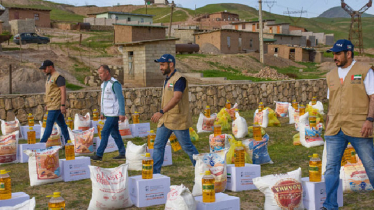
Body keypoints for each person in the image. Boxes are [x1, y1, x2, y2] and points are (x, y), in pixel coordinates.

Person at [324, 39, 374, 210]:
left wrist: (370, 120)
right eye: (334, 54)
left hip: (359, 127)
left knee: (370, 165)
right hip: (334, 129)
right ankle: (330, 205)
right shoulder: (330, 75)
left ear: (349, 53)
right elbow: (331, 103)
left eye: (338, 54)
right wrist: (327, 124)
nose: (335, 57)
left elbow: (373, 96)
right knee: (331, 168)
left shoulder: (365, 71)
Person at [151, 54, 199, 174]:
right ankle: (155, 174)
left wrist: (161, 111)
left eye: (162, 65)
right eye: (160, 65)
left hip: (177, 119)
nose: (160, 67)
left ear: (171, 64)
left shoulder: (179, 79)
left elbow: (177, 98)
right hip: (166, 119)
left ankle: (202, 169)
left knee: (187, 146)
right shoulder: (168, 79)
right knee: (158, 145)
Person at [90, 65, 127, 161]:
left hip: (113, 114)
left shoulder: (115, 84)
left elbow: (120, 99)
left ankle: (99, 154)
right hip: (108, 113)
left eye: (101, 73)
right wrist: (102, 112)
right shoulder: (103, 84)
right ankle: (122, 152)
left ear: (107, 72)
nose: (100, 76)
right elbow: (103, 100)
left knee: (104, 132)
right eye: (99, 74)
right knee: (115, 134)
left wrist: (122, 113)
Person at [39, 60, 70, 145]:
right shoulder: (49, 77)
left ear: (51, 67)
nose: (43, 70)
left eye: (45, 68)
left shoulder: (58, 77)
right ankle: (68, 142)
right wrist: (47, 104)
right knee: (62, 125)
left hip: (56, 106)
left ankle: (40, 145)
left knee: (48, 126)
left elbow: (63, 91)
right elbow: (50, 92)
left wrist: (63, 105)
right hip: (52, 105)